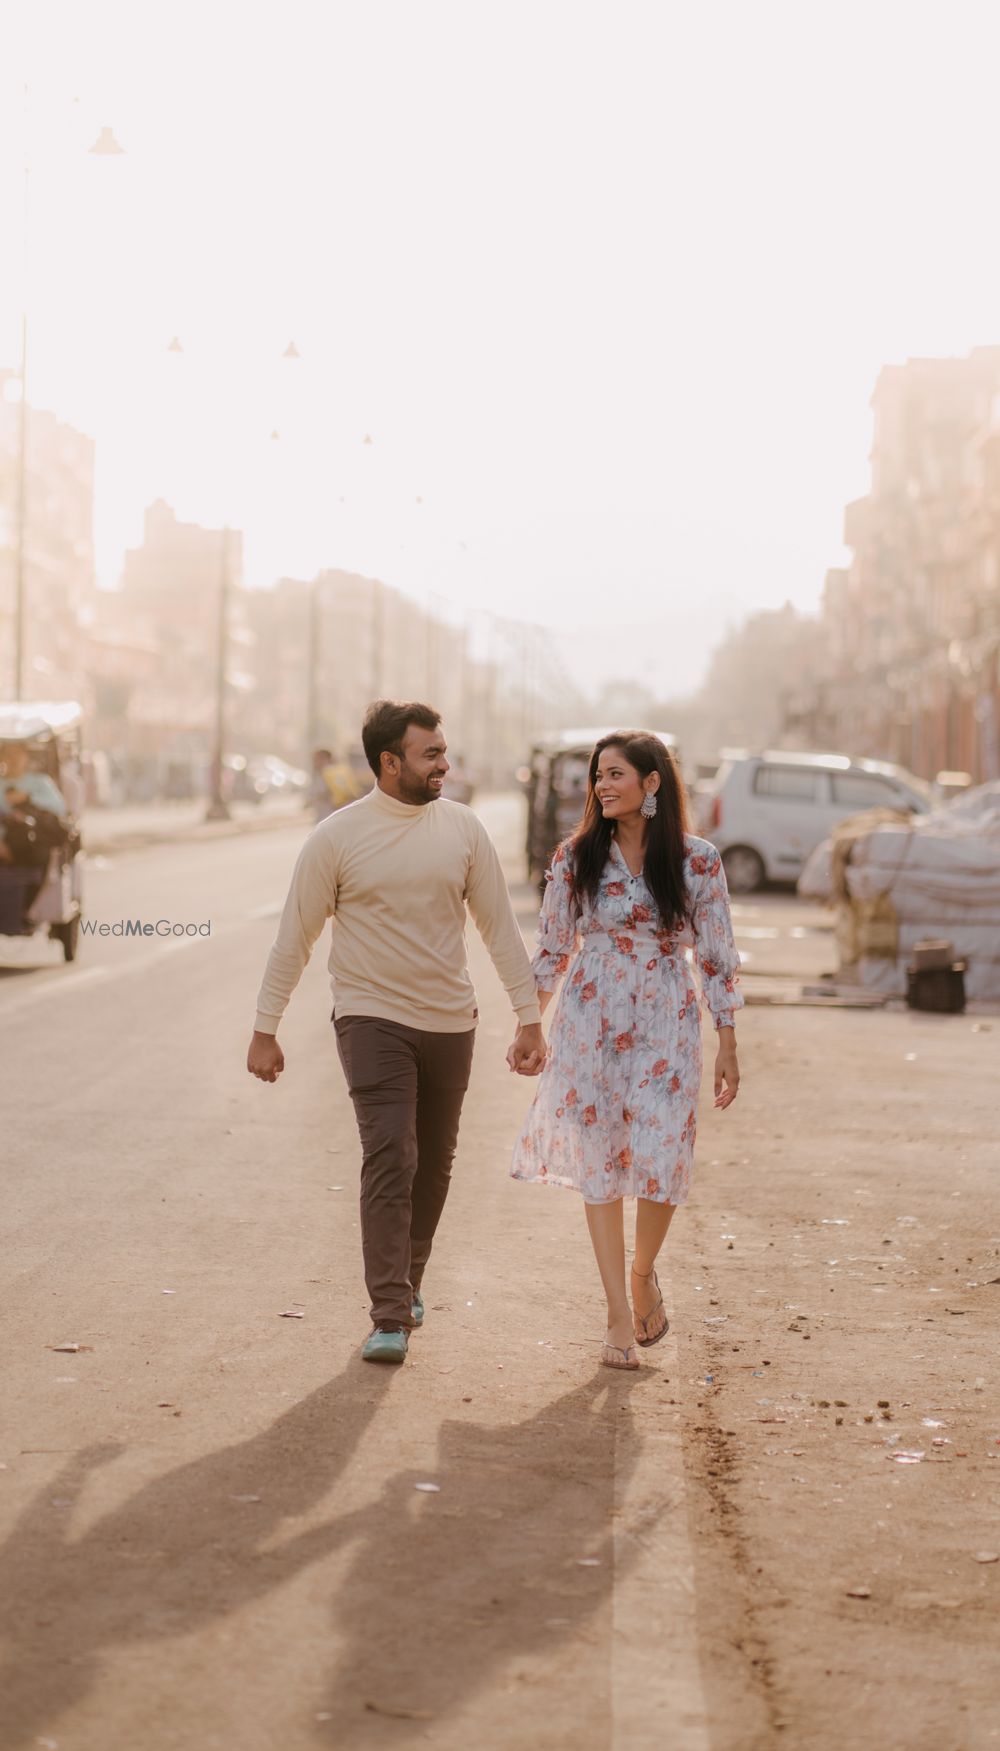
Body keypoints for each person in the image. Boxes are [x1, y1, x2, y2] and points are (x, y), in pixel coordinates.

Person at [247, 700, 546, 1364]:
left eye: (444, 751)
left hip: (449, 1020)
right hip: (370, 1016)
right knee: (392, 1153)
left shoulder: (464, 831)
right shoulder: (337, 836)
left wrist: (529, 1017)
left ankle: (409, 1278)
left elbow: (501, 929)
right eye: (431, 753)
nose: (446, 763)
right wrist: (265, 1027)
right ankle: (388, 1311)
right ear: (389, 761)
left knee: (434, 1163)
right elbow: (293, 937)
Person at [510, 731, 742, 1370]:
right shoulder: (575, 857)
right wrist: (529, 1023)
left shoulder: (698, 862)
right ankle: (617, 1311)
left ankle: (643, 1274)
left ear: (653, 782)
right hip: (592, 1014)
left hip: (667, 1013)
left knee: (663, 1153)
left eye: (616, 774)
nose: (603, 786)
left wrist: (727, 1040)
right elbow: (554, 947)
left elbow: (718, 956)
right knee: (602, 1156)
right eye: (598, 776)